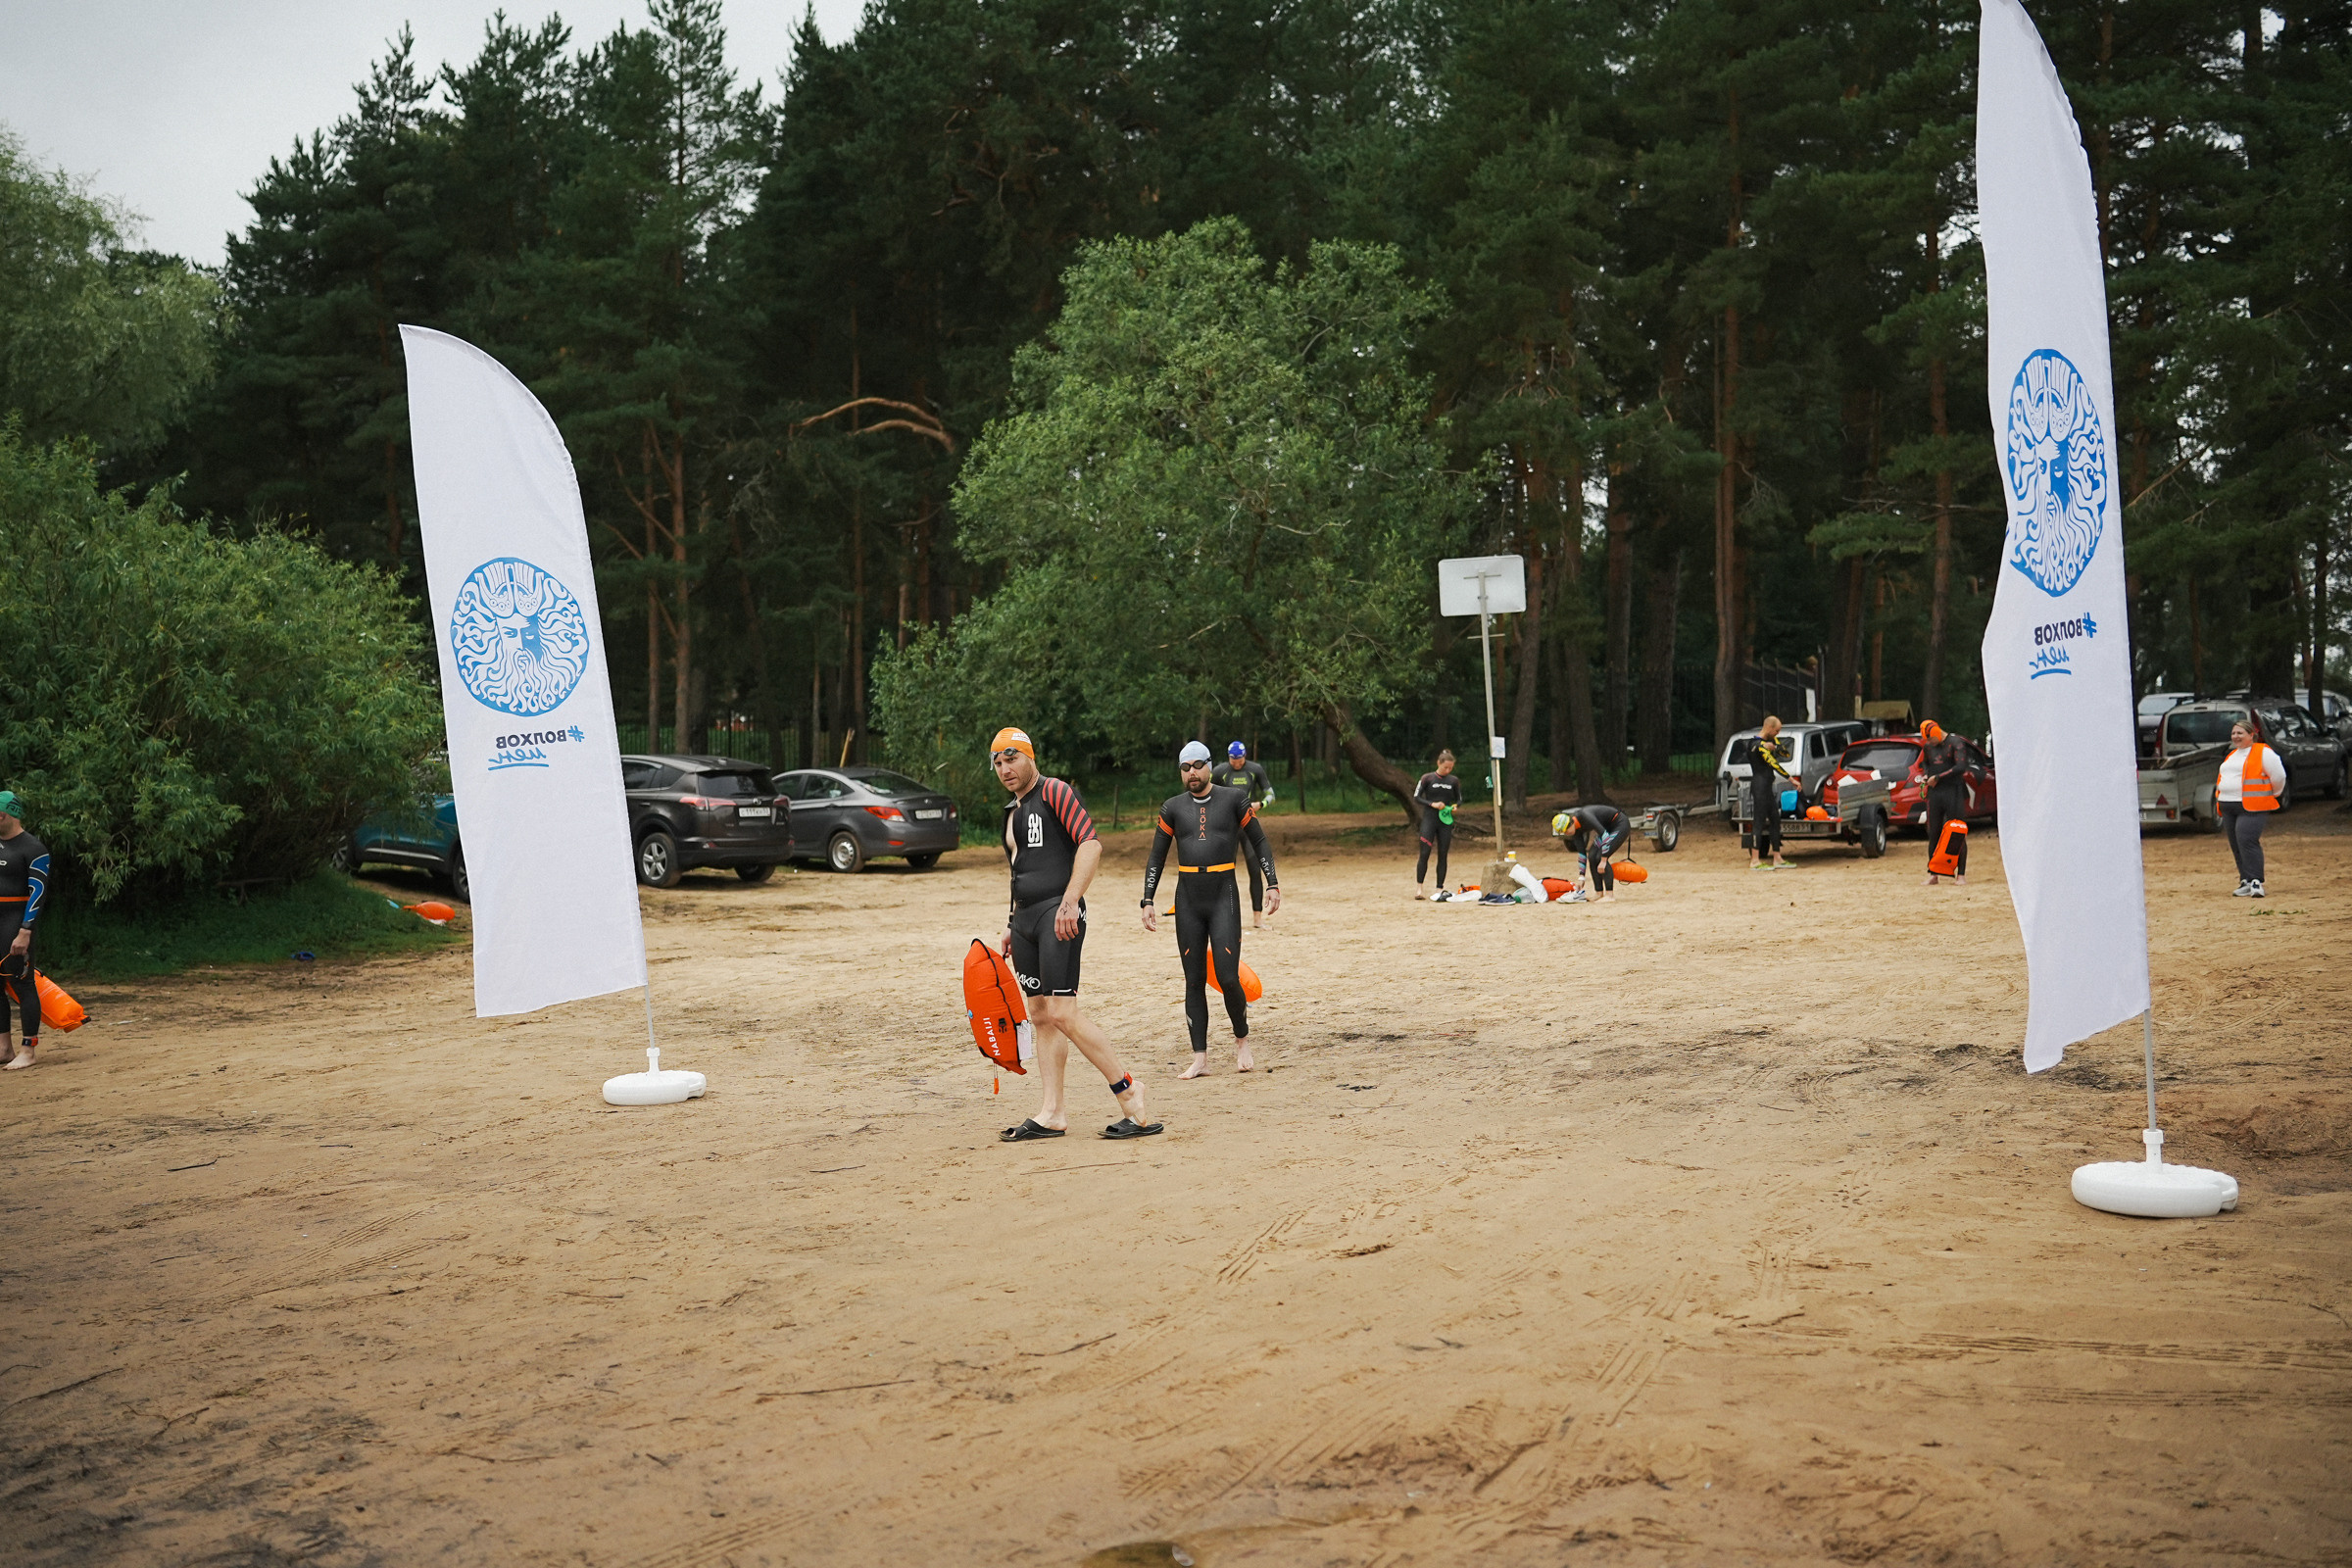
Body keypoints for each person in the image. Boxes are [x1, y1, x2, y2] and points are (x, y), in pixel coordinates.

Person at [989, 728, 1160, 1141]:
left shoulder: (1055, 793)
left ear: (1030, 757)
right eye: (997, 762)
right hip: (1026, 921)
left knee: (1063, 1012)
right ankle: (1052, 1112)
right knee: (1041, 1015)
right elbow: (1021, 872)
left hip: (1059, 914)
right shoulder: (1010, 814)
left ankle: (1129, 1092)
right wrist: (1013, 923)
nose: (1004, 768)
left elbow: (1091, 845)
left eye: (1012, 758)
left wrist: (1070, 901)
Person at [1144, 741, 1282, 1077]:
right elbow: (1157, 856)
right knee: (1193, 980)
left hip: (1224, 894)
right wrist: (1147, 899)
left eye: (1197, 765)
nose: (1192, 773)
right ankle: (1200, 1058)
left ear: (1209, 765)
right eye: (1185, 767)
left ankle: (1241, 1039)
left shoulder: (1233, 799)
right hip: (1188, 898)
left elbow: (1260, 840)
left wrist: (1272, 882)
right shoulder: (1172, 808)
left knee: (1227, 976)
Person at [0, 792, 52, 1071]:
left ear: (10, 814)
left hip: (16, 921)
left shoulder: (33, 848)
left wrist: (26, 930)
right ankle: (4, 1048)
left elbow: (38, 893)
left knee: (22, 983)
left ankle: (28, 1050)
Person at [1210, 741, 1278, 928]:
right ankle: (1221, 917)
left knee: (1254, 870)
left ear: (1245, 756)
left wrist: (1260, 804)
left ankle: (1257, 918)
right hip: (1227, 827)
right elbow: (1207, 794)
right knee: (1224, 871)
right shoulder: (1219, 771)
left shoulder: (1255, 769)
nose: (1236, 763)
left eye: (1239, 759)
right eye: (1232, 759)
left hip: (1248, 824)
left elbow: (1271, 794)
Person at [2217, 716, 2285, 898]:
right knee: (2236, 844)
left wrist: (2273, 793)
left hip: (2253, 805)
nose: (2236, 736)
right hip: (2228, 805)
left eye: (2240, 733)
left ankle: (2256, 881)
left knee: (2246, 839)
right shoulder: (2232, 755)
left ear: (2251, 735)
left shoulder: (2263, 752)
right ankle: (2245, 880)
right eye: (2233, 733)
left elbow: (2278, 776)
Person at [1917, 720, 1970, 886]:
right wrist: (1927, 775)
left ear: (1938, 732)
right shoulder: (1928, 747)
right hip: (1935, 794)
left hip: (1953, 791)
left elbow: (1961, 766)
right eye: (1928, 741)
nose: (1931, 743)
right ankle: (1934, 873)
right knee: (1934, 832)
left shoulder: (1955, 743)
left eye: (1932, 739)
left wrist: (1938, 777)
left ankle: (1960, 874)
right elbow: (1925, 763)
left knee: (1956, 831)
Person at [1551, 804, 1632, 903]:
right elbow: (1582, 854)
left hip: (1619, 824)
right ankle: (1599, 892)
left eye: (1566, 831)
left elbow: (1605, 835)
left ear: (1570, 823)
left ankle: (1610, 895)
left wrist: (1604, 859)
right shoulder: (1575, 832)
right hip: (1607, 829)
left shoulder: (1585, 816)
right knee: (1592, 856)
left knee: (1599, 857)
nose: (1566, 834)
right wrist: (1581, 877)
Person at [1741, 717, 1792, 870]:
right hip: (1759, 786)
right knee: (1759, 821)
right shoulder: (1757, 745)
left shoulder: (1770, 742)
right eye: (1776, 731)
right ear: (1769, 728)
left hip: (1767, 787)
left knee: (1775, 820)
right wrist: (1791, 779)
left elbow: (1786, 753)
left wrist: (1775, 746)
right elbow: (1773, 764)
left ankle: (1777, 857)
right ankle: (1755, 860)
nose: (1778, 733)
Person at [1412, 751, 1463, 899]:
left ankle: (1439, 888)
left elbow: (1459, 799)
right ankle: (1419, 889)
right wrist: (1432, 804)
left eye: (1450, 768)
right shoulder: (1427, 778)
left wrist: (1454, 806)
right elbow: (1417, 797)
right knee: (1424, 853)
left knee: (1443, 854)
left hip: (1445, 821)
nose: (1448, 770)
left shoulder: (1453, 781)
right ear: (1438, 763)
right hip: (1429, 819)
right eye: (1445, 767)